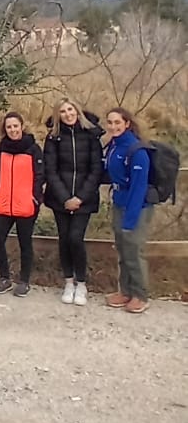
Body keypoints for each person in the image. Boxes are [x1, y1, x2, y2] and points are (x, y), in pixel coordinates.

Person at [43, 98, 103, 307]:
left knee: (76, 238)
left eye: (70, 110)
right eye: (63, 111)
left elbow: (96, 170)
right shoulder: (53, 137)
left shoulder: (91, 135)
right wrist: (65, 198)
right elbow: (50, 170)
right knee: (64, 239)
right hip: (60, 197)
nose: (68, 114)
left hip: (84, 198)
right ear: (58, 115)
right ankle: (68, 281)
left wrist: (80, 198)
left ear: (77, 111)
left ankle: (82, 282)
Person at [104, 107, 153, 314]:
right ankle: (124, 291)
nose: (113, 126)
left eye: (117, 122)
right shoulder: (114, 146)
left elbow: (138, 188)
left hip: (137, 207)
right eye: (110, 122)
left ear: (127, 124)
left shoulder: (137, 150)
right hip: (119, 202)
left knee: (134, 250)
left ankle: (140, 294)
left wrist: (130, 219)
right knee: (122, 250)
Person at [0, 112, 43, 297]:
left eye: (15, 126)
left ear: (22, 126)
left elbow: (39, 175)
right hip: (5, 203)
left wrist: (35, 198)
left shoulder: (33, 148)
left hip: (26, 204)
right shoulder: (2, 148)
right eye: (9, 127)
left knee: (25, 243)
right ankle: (4, 277)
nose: (12, 130)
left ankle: (24, 281)